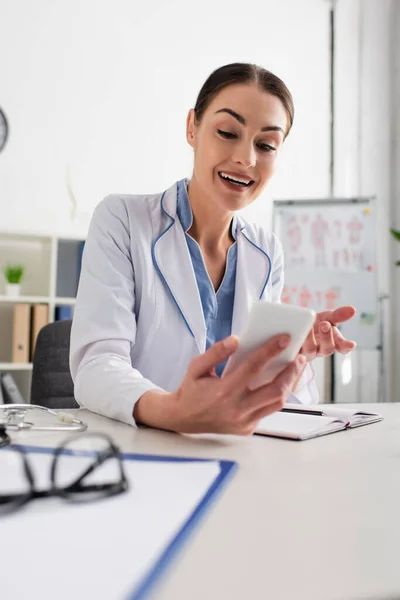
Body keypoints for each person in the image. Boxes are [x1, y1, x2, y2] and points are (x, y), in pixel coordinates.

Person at [70, 62, 356, 435]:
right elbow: (96, 366)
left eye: (266, 145)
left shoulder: (266, 252)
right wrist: (174, 410)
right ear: (193, 127)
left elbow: (272, 402)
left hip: (231, 452)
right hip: (140, 450)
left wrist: (292, 359)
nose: (246, 159)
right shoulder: (123, 220)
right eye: (227, 132)